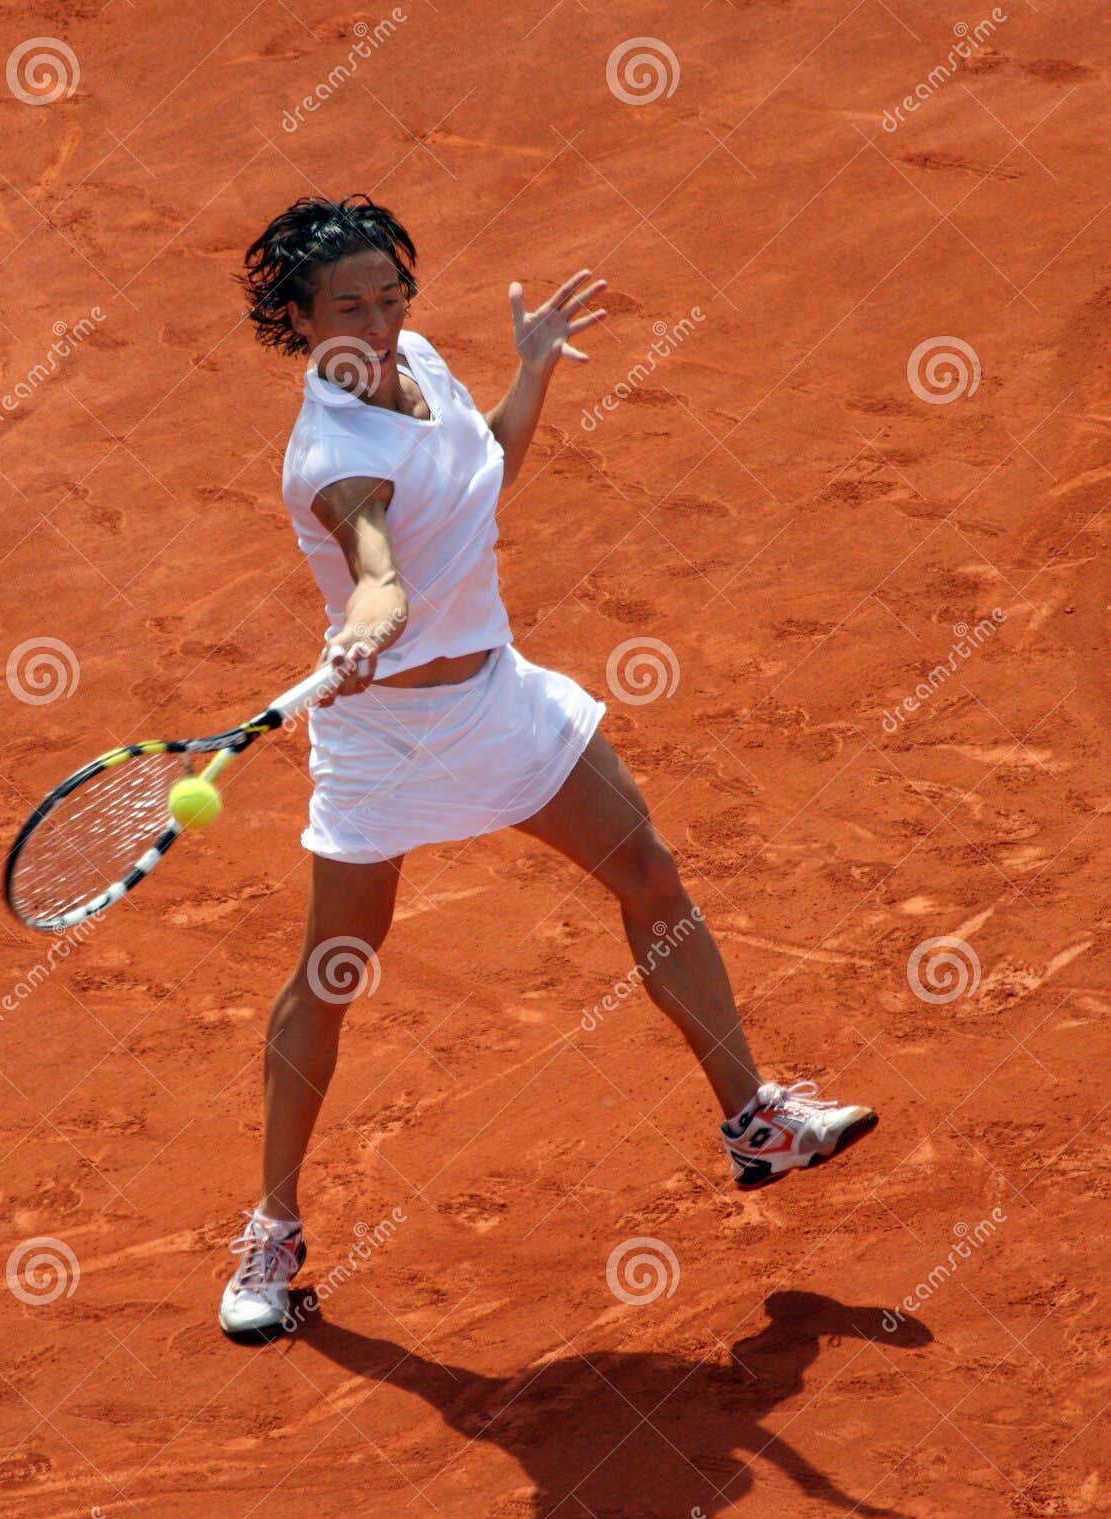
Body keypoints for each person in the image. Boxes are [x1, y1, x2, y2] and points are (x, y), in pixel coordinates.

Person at [218, 194, 876, 1336]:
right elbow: (376, 561)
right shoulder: (331, 453)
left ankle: (755, 1122)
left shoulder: (416, 360)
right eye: (346, 308)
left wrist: (530, 374)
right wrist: (368, 619)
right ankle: (270, 1230)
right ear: (294, 318)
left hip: (500, 703)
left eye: (390, 295)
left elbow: (480, 489)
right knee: (333, 971)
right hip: (386, 744)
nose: (375, 323)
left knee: (652, 881)